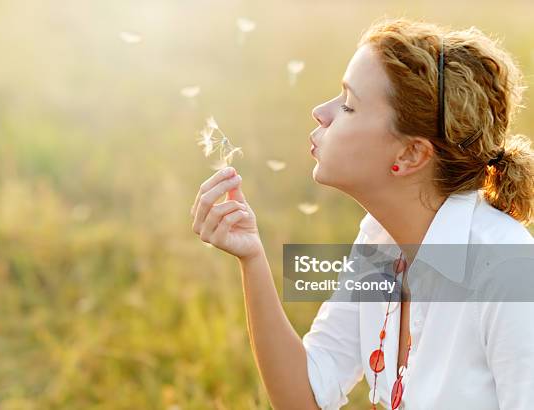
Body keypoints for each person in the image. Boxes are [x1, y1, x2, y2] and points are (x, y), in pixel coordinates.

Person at [190, 17, 534, 410]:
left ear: (410, 154)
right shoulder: (381, 241)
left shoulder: (510, 273)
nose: (321, 112)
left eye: (349, 105)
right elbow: (305, 396)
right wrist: (251, 257)